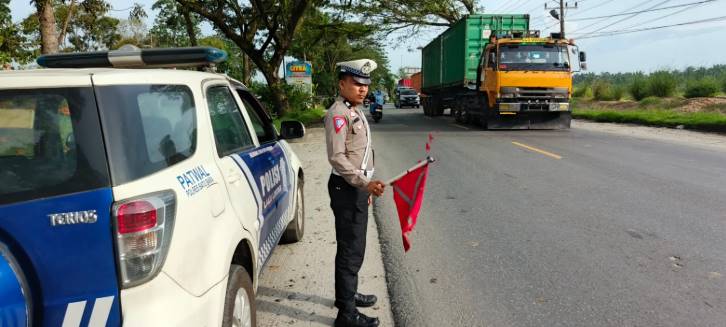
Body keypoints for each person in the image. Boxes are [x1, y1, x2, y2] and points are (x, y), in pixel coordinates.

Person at [325, 59, 386, 327]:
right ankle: (347, 315)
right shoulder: (338, 114)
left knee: (354, 248)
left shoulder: (354, 109)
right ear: (342, 84)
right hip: (347, 188)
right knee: (351, 250)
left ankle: (346, 297)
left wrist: (365, 188)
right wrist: (364, 184)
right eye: (356, 84)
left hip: (356, 189)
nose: (362, 89)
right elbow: (337, 158)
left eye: (365, 85)